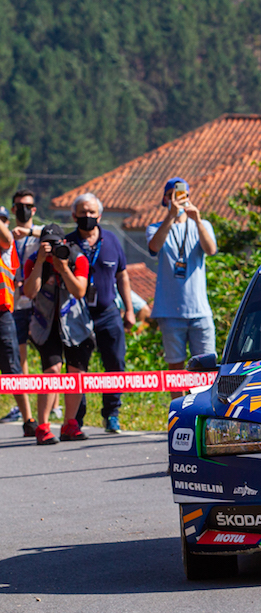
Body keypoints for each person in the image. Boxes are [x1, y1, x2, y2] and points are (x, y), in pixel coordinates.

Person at [66, 193, 133, 434]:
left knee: (115, 362)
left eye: (92, 212)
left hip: (108, 312)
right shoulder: (67, 244)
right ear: (74, 215)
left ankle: (112, 414)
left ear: (100, 215)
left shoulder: (112, 240)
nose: (87, 216)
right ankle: (76, 418)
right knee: (77, 368)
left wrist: (129, 310)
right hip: (76, 315)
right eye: (83, 212)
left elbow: (122, 276)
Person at [22, 224, 93, 444]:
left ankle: (70, 424)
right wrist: (41, 262)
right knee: (52, 371)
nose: (52, 248)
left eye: (55, 244)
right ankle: (43, 427)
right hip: (46, 326)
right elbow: (29, 292)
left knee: (76, 374)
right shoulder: (34, 260)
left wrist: (63, 268)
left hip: (75, 324)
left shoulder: (76, 258)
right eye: (47, 244)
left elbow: (79, 291)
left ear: (64, 243)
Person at [146, 178, 217, 399]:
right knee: (175, 367)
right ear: (165, 199)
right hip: (169, 310)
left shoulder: (202, 225)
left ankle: (205, 408)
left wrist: (197, 220)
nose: (177, 199)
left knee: (206, 366)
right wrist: (170, 216)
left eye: (182, 194)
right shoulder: (155, 227)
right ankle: (178, 409)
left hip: (199, 310)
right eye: (172, 195)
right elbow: (154, 247)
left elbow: (211, 249)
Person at [0, 190, 45, 429]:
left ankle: (35, 415)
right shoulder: (9, 238)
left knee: (18, 365)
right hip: (15, 307)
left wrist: (26, 232)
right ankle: (25, 413)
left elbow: (53, 235)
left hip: (20, 308)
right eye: (19, 206)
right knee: (18, 360)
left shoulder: (11, 242)